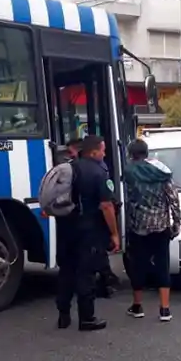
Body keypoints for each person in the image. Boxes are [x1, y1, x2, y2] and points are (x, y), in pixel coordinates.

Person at [56, 135, 119, 331]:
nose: (104, 154)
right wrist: (114, 233)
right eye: (103, 150)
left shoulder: (70, 168)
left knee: (66, 271)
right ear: (94, 152)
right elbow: (106, 206)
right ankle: (87, 318)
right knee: (86, 273)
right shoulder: (98, 172)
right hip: (88, 230)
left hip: (66, 227)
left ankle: (63, 316)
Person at [123, 139, 181, 322]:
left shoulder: (129, 172)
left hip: (138, 227)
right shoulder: (162, 172)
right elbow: (173, 200)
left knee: (137, 266)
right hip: (161, 226)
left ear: (131, 154)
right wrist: (176, 224)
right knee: (162, 265)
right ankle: (165, 309)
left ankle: (137, 306)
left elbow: (128, 199)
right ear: (146, 152)